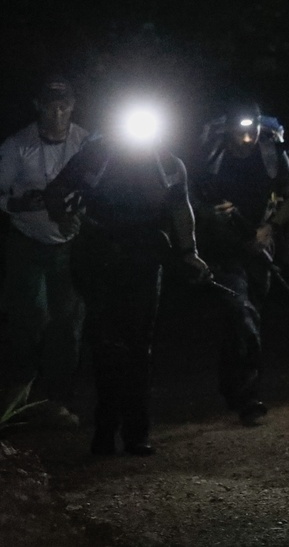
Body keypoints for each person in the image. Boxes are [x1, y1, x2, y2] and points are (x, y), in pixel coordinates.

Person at [44, 102, 210, 455]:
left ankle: (137, 433)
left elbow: (181, 209)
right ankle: (104, 432)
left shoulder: (167, 164)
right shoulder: (97, 155)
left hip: (144, 258)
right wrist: (63, 217)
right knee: (105, 344)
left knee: (139, 347)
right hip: (99, 256)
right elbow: (56, 191)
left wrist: (188, 252)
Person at [190, 99, 289, 426]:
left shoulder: (270, 152)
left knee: (244, 318)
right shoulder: (210, 156)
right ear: (227, 128)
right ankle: (249, 397)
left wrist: (270, 229)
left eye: (252, 131)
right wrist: (209, 215)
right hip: (222, 251)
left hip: (258, 250)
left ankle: (232, 386)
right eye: (240, 132)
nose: (246, 138)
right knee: (242, 314)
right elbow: (184, 199)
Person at [0, 75, 89, 427]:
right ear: (38, 105)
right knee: (28, 320)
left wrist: (80, 219)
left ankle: (57, 400)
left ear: (73, 105)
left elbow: (99, 189)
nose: (57, 111)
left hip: (70, 247)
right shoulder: (17, 146)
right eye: (50, 104)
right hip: (28, 245)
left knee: (68, 325)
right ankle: (17, 396)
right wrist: (17, 204)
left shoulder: (86, 143)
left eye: (63, 104)